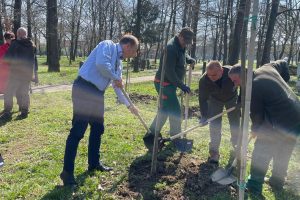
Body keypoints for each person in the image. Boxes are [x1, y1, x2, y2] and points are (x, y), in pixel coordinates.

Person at [60, 34, 139, 186]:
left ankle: (93, 163)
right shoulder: (107, 45)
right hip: (84, 88)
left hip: (97, 94)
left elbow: (118, 87)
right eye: (134, 50)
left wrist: (130, 106)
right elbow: (102, 65)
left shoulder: (119, 64)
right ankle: (67, 173)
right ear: (127, 46)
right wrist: (116, 77)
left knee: (98, 129)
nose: (134, 54)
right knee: (78, 131)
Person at [228, 64, 300, 198]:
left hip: (280, 120)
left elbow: (257, 114)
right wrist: (283, 86)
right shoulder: (267, 68)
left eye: (235, 80)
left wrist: (255, 129)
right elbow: (283, 64)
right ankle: (277, 182)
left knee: (261, 151)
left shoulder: (254, 86)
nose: (235, 84)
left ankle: (254, 185)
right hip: (296, 115)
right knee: (284, 151)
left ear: (244, 75)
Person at [143, 27, 196, 151]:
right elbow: (169, 72)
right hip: (164, 84)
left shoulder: (180, 45)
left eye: (188, 42)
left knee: (164, 112)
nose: (186, 44)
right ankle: (176, 138)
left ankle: (150, 136)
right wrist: (181, 85)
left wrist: (188, 59)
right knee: (175, 112)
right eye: (185, 41)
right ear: (180, 36)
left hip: (169, 85)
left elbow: (183, 53)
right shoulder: (171, 48)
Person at [198, 61, 240, 164]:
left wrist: (241, 100)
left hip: (232, 98)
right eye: (209, 75)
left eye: (214, 75)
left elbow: (243, 83)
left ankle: (236, 146)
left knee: (235, 123)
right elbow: (202, 99)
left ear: (221, 71)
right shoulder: (204, 80)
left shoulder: (232, 72)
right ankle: (214, 152)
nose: (211, 77)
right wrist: (204, 115)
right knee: (215, 125)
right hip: (215, 100)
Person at [0, 27, 35, 120]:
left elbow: (8, 57)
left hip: (15, 73)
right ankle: (24, 111)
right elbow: (33, 61)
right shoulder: (31, 44)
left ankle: (7, 111)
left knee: (8, 92)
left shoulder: (15, 44)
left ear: (18, 34)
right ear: (25, 34)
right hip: (26, 73)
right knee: (24, 92)